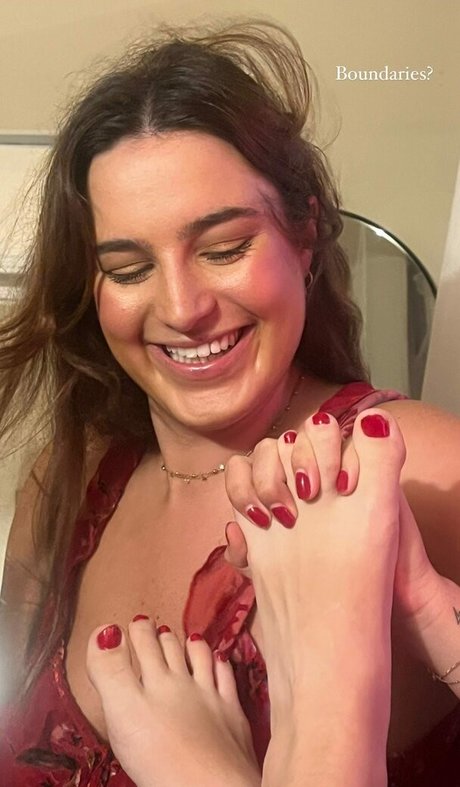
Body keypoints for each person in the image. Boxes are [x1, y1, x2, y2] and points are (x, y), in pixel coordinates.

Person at [0, 17, 460, 787]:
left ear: (304, 233)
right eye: (128, 267)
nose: (183, 308)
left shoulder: (416, 470)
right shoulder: (65, 480)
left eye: (224, 248)